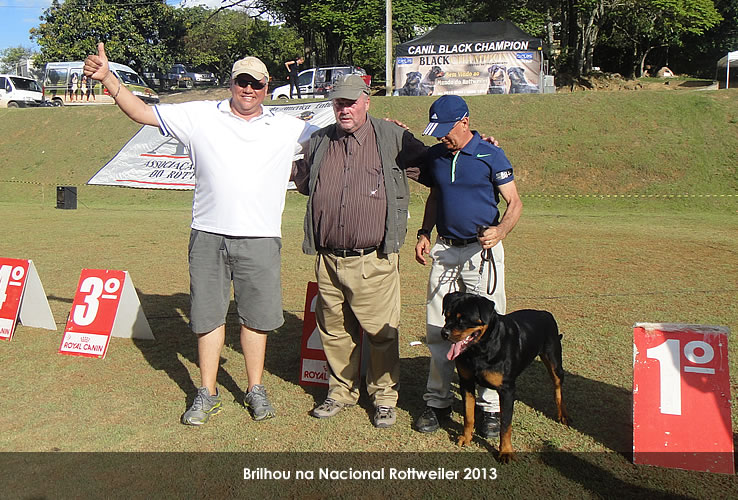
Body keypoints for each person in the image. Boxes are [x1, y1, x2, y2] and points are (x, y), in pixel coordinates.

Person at [84, 42, 315, 426]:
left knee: (256, 319)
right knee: (208, 318)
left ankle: (255, 389)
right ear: (231, 83)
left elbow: (341, 134)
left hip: (260, 238)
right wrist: (108, 77)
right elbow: (141, 112)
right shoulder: (200, 116)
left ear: (267, 86)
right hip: (208, 235)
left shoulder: (290, 127)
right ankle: (207, 393)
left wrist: (384, 131)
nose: (248, 90)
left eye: (256, 84)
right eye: (241, 82)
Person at [294, 74, 427, 428]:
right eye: (339, 102)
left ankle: (384, 398)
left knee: (382, 333)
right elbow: (299, 178)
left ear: (367, 101)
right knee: (335, 332)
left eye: (351, 102)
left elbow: (438, 167)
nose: (345, 109)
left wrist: (476, 145)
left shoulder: (393, 137)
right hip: (328, 259)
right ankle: (340, 392)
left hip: (374, 259)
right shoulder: (319, 141)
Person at [413, 95, 522, 438]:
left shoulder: (492, 154)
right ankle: (438, 402)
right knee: (438, 328)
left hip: (481, 252)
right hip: (445, 250)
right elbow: (435, 196)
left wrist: (501, 230)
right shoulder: (436, 156)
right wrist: (424, 232)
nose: (440, 136)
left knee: (489, 330)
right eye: (436, 130)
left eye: (446, 129)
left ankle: (490, 408)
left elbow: (514, 202)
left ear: (464, 122)